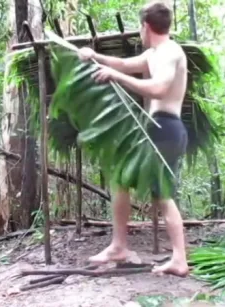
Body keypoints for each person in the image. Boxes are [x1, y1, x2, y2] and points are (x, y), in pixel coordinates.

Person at [77, 0, 189, 277]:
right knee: (159, 192)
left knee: (123, 179)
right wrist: (95, 56)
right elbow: (124, 64)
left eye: (140, 27)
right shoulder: (157, 52)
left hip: (162, 127)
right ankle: (177, 259)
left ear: (145, 26)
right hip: (167, 129)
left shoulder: (168, 53)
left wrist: (114, 75)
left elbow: (159, 88)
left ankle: (120, 246)